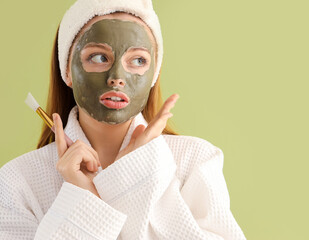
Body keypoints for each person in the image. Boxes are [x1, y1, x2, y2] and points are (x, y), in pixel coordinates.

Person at [0, 0, 247, 239]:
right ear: (67, 69)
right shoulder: (18, 181)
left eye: (138, 60)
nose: (117, 77)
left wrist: (130, 176)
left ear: (153, 75)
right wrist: (85, 199)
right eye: (98, 57)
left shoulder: (195, 161)